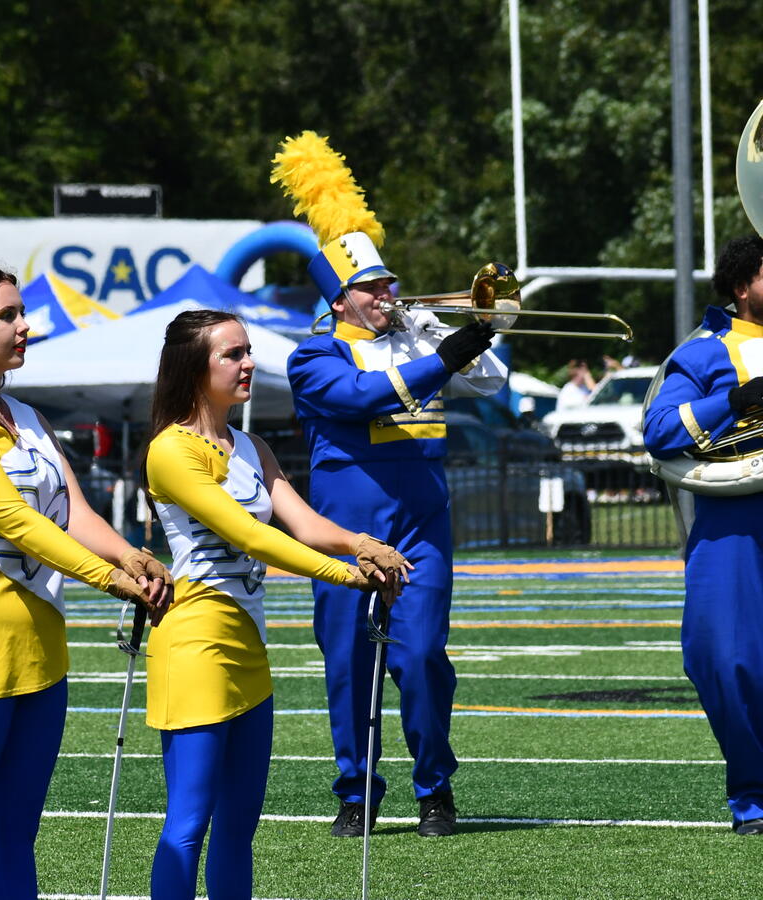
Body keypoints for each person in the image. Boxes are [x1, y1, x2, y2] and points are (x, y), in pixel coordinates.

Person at [0, 264, 171, 899]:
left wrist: (133, 557)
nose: (25, 326)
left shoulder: (26, 415)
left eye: (21, 313)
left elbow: (73, 511)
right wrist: (110, 580)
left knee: (16, 831)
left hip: (40, 644)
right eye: (6, 316)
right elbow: (14, 520)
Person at [273, 131, 508, 838]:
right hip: (346, 533)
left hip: (422, 526)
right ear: (340, 301)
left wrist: (470, 330)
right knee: (348, 668)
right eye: (374, 288)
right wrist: (443, 352)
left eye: (390, 283)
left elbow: (495, 383)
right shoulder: (312, 355)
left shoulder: (419, 336)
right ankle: (356, 792)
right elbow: (366, 397)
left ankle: (435, 786)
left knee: (422, 656)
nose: (389, 294)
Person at [143, 309, 409, 898]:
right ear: (194, 367)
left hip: (248, 644)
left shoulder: (251, 445)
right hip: (194, 642)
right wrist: (349, 575)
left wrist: (364, 543)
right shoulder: (171, 450)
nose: (248, 363)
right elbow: (253, 536)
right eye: (232, 354)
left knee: (240, 828)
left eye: (247, 351)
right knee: (188, 826)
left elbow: (305, 523)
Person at [643, 234, 763, 836]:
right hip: (735, 519)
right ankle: (752, 793)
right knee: (724, 658)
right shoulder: (705, 351)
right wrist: (735, 399)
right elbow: (661, 431)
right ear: (742, 287)